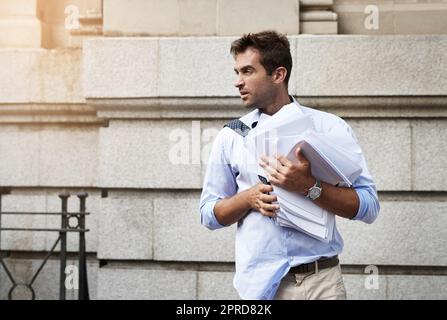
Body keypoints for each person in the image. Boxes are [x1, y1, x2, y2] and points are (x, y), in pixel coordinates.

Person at [199, 30, 380, 300]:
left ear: (278, 74)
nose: (238, 82)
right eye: (237, 72)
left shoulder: (329, 127)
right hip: (261, 288)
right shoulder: (231, 136)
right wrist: (247, 198)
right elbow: (209, 214)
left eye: (248, 71)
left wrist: (310, 186)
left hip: (323, 284)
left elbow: (369, 206)